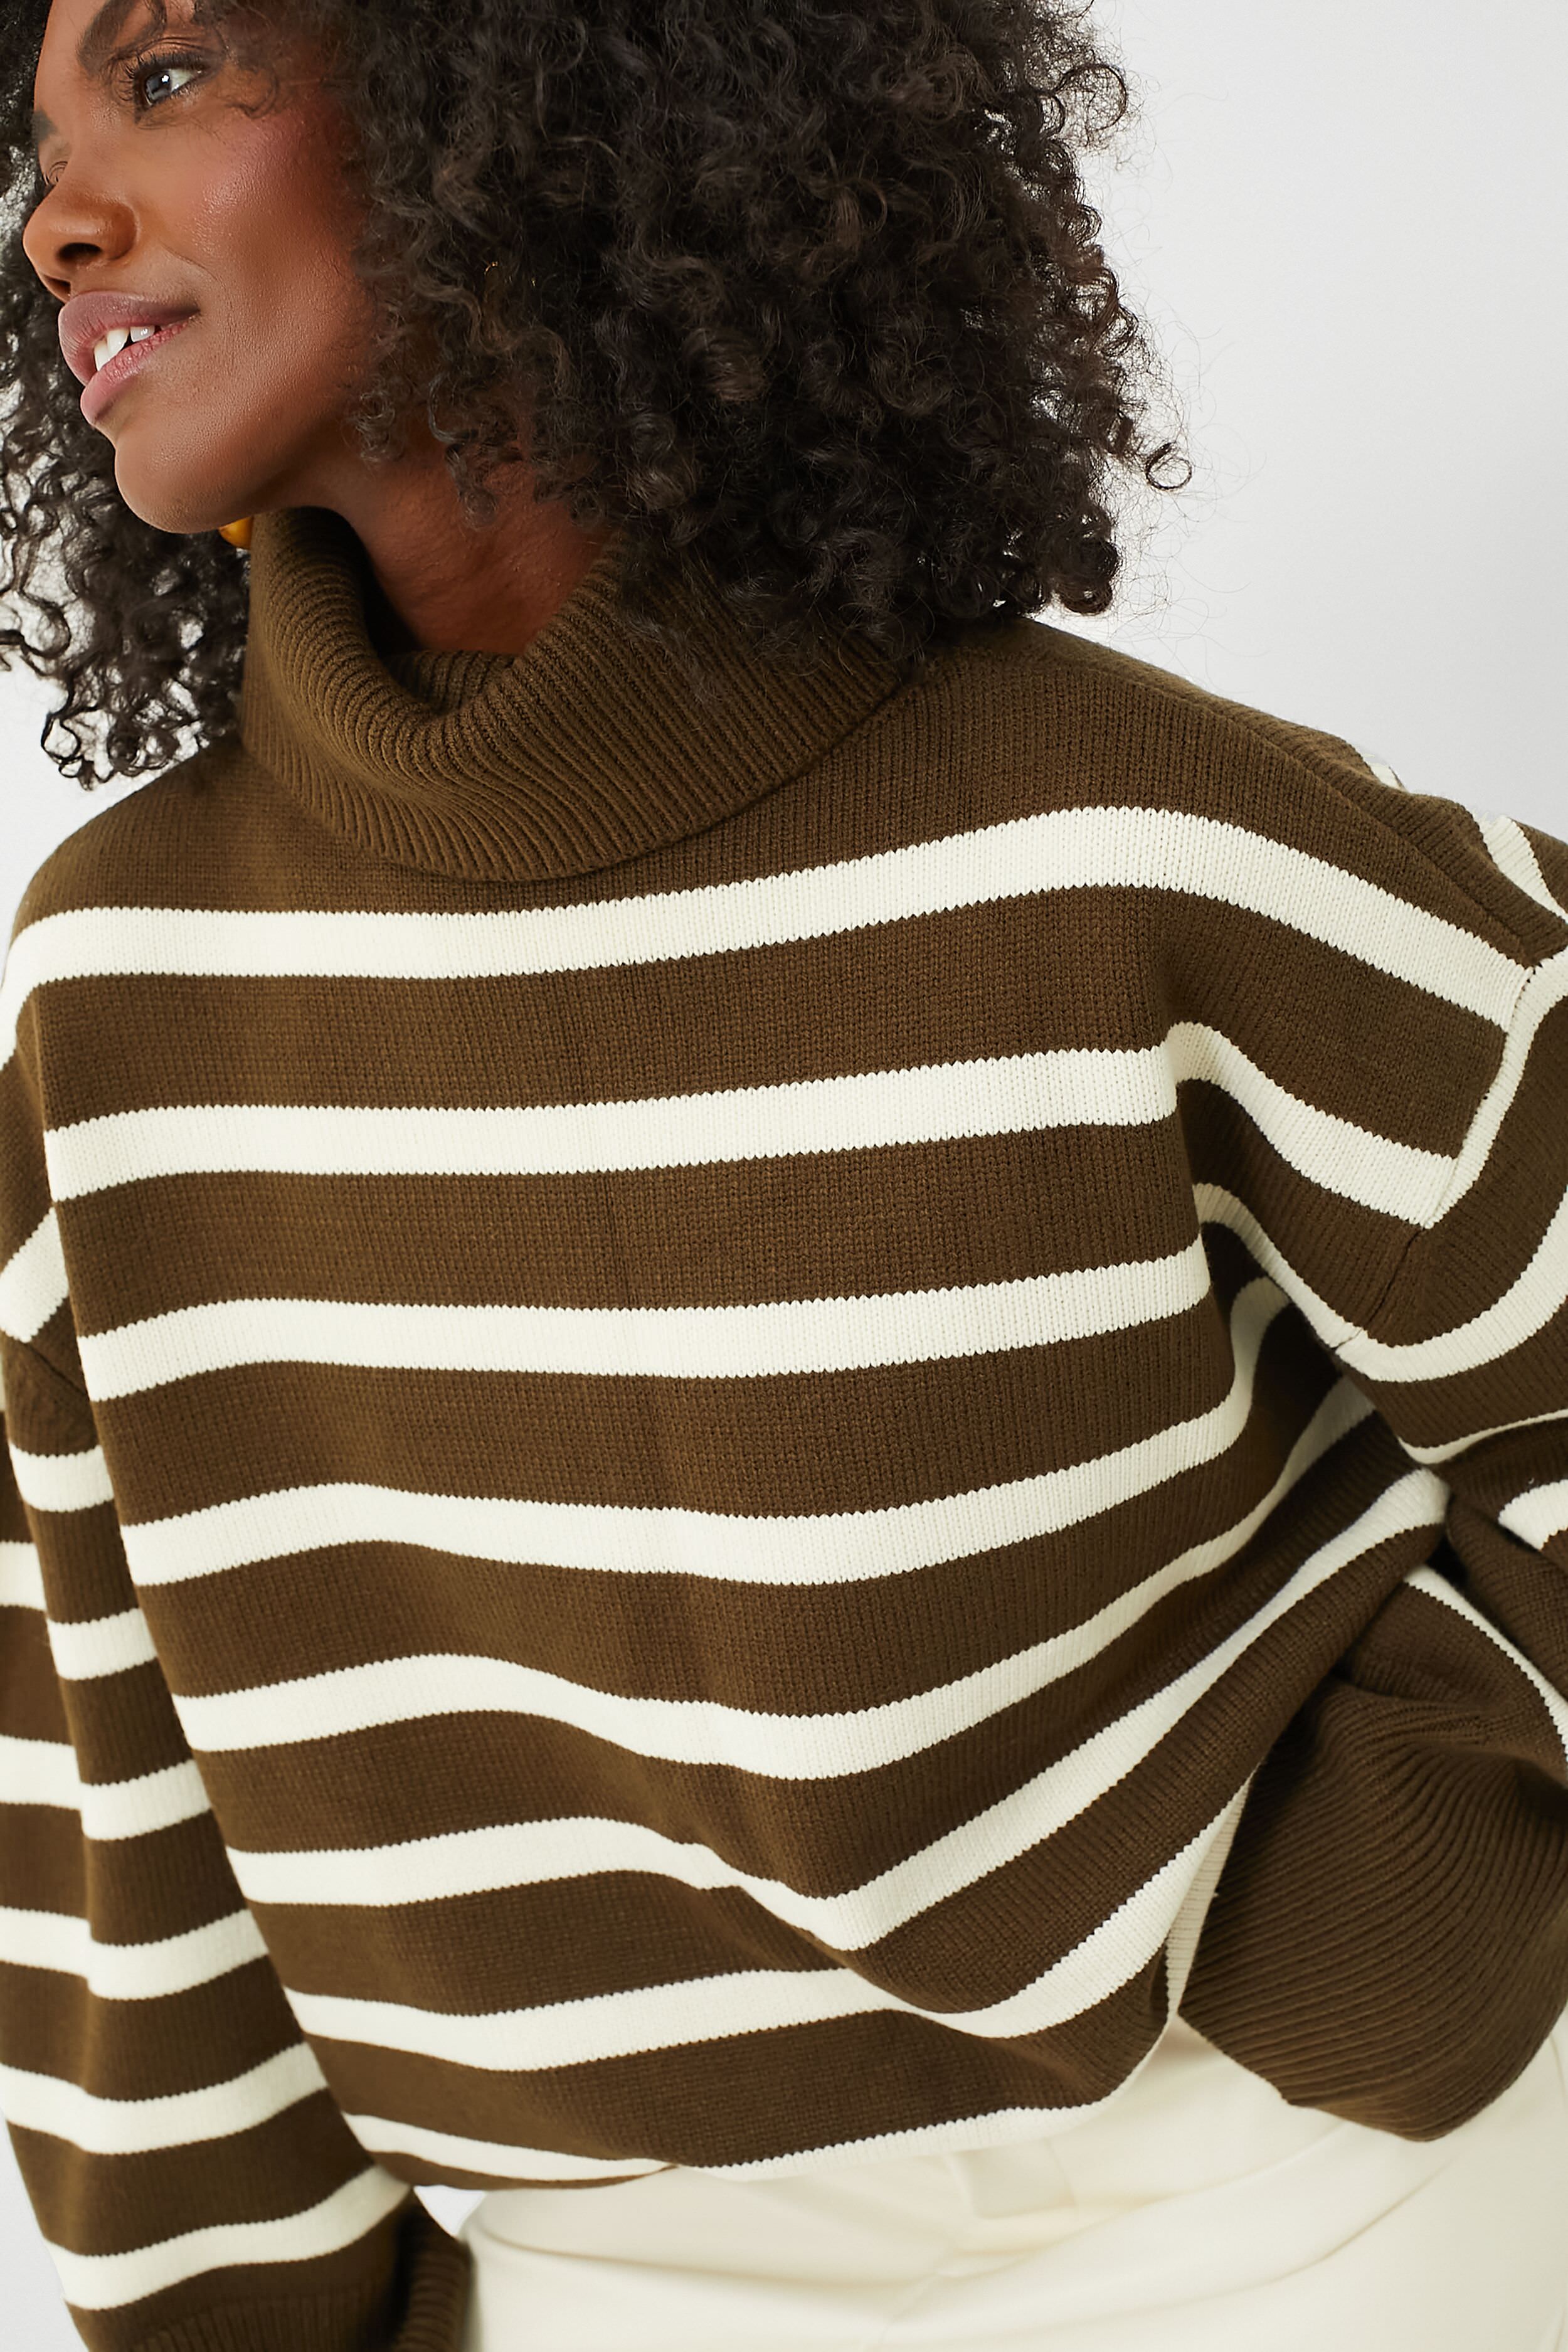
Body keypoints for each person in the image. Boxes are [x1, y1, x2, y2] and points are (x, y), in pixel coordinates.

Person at [3, 1, 1567, 2348]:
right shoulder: (125, 986)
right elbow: (114, 1801)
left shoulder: (1110, 827)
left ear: (522, 85)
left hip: (1294, 2220)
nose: (55, 220)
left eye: (164, 74)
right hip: (615, 2289)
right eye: (33, 143)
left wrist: (1414, 1842)